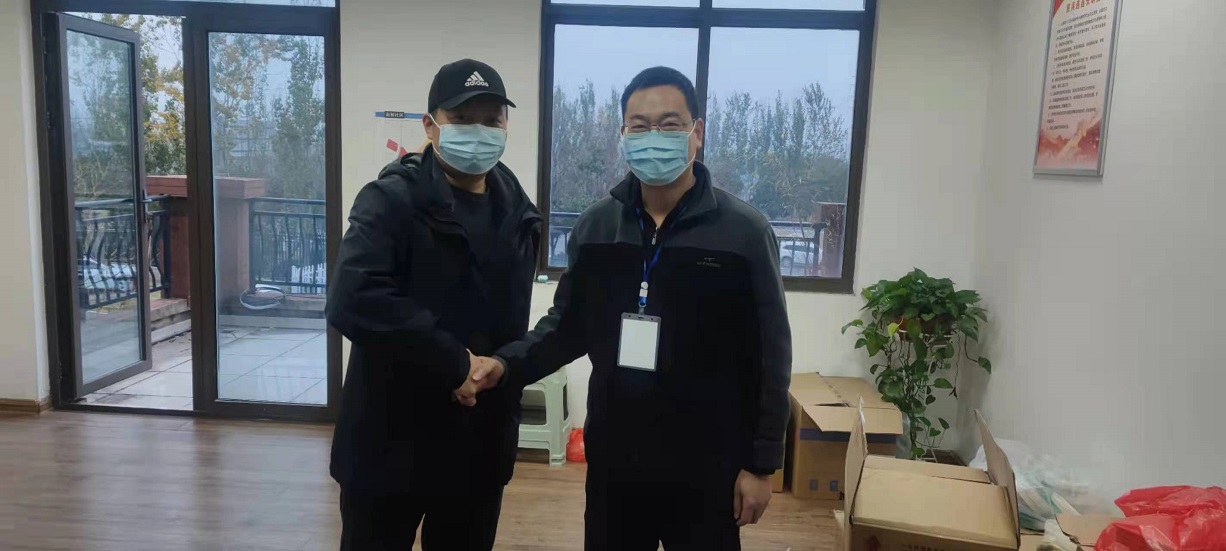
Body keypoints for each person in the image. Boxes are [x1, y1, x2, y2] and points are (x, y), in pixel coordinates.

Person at [483, 66, 792, 550]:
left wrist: (761, 464)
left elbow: (772, 354)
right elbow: (566, 327)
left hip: (708, 463)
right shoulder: (597, 227)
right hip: (617, 461)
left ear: (697, 133)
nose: (654, 137)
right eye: (640, 126)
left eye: (670, 125)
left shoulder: (743, 232)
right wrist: (505, 365)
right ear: (623, 135)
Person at [326, 59, 538, 551]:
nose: (478, 131)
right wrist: (453, 363)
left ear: (507, 126)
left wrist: (500, 370)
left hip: (477, 446)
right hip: (389, 442)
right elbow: (354, 297)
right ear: (430, 125)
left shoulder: (518, 212)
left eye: (491, 120)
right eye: (462, 119)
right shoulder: (389, 200)